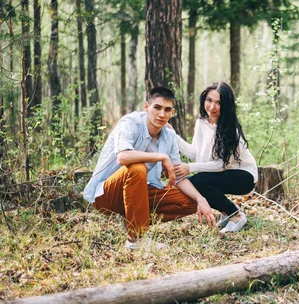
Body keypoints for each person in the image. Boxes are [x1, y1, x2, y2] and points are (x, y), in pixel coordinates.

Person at [83, 87, 216, 249]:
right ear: (147, 107)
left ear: (172, 112)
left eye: (167, 110)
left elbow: (179, 176)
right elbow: (123, 156)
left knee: (190, 202)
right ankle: (136, 239)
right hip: (106, 194)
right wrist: (161, 157)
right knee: (137, 168)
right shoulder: (130, 122)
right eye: (157, 108)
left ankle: (132, 218)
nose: (162, 114)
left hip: (140, 192)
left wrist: (201, 199)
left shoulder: (169, 136)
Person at [173, 82, 258, 234]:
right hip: (223, 173)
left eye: (219, 103)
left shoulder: (230, 130)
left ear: (226, 105)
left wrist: (189, 168)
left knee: (197, 181)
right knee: (199, 182)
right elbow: (196, 154)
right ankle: (227, 211)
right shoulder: (201, 121)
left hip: (244, 176)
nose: (212, 107)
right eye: (209, 100)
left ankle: (236, 216)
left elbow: (221, 165)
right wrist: (173, 136)